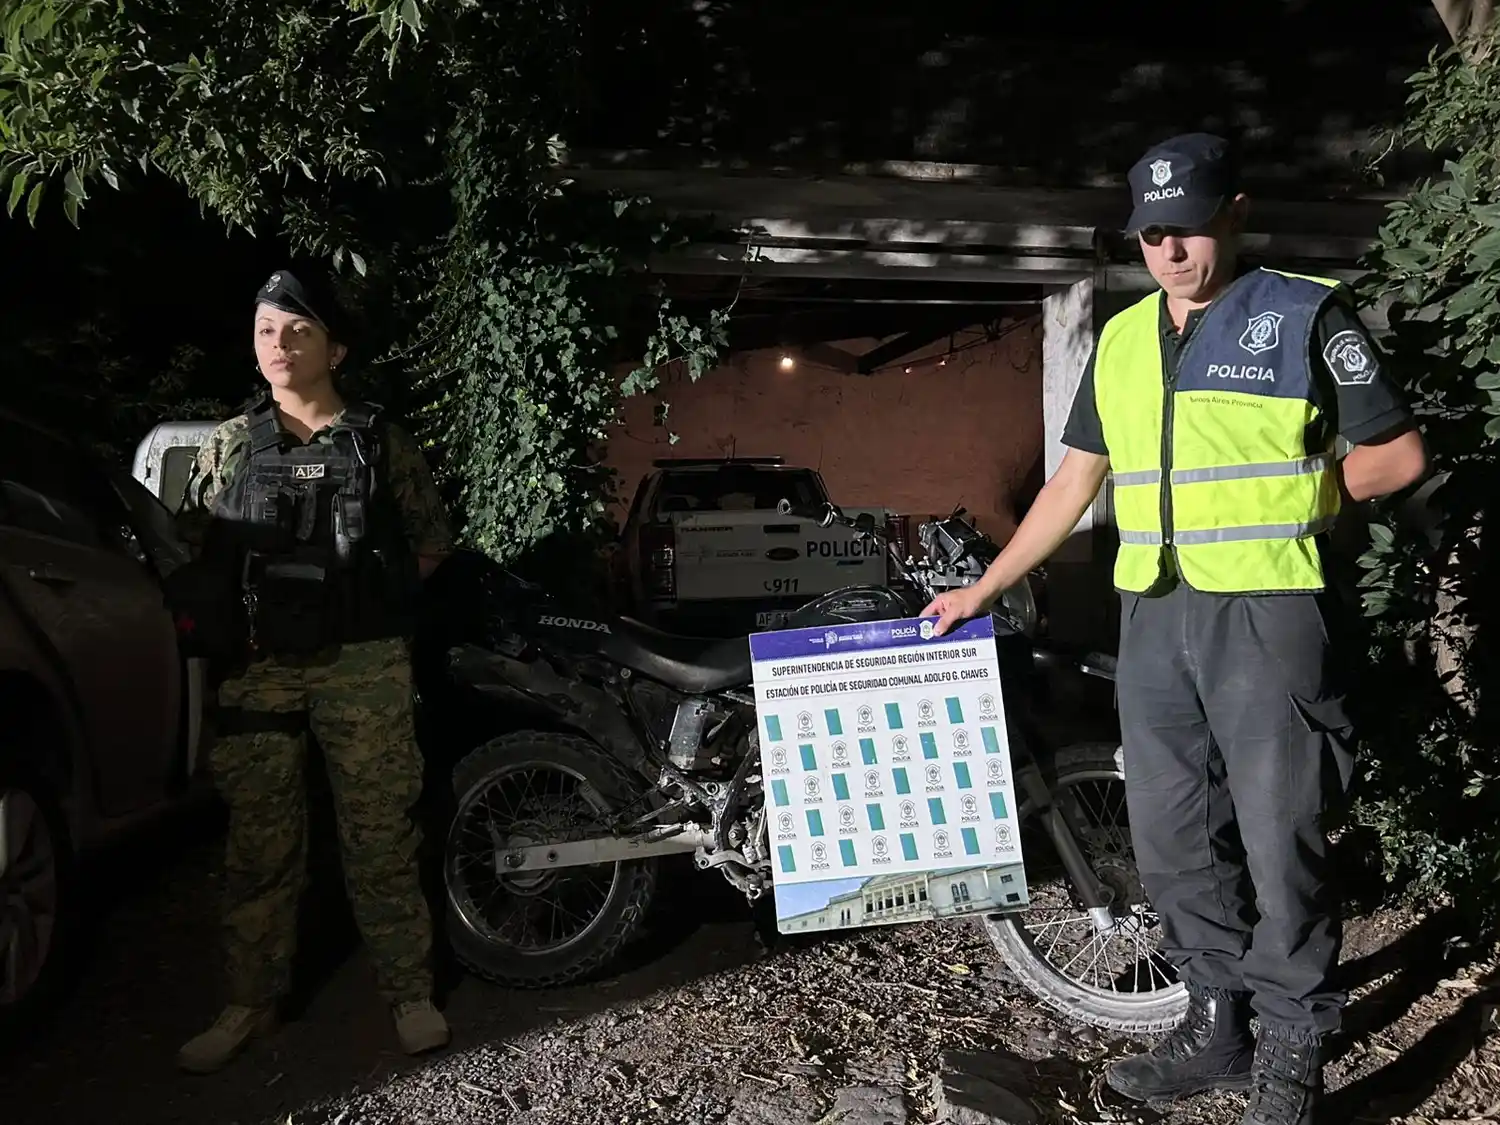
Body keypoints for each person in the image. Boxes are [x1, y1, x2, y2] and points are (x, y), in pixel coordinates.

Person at [923, 134, 1427, 1125]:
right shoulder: (1117, 339)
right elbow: (1075, 481)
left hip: (1264, 610)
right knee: (1168, 831)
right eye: (1153, 234)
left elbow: (1397, 454)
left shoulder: (1301, 312)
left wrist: (1304, 494)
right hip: (1153, 612)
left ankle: (1293, 1043)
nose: (1172, 251)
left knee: (1281, 838)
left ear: (1232, 213)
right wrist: (982, 588)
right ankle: (1215, 1019)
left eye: (1189, 228)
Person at [174, 269, 454, 1074]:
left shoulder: (378, 440)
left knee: (380, 832)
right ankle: (247, 1003)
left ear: (336, 347)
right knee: (260, 839)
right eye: (267, 330)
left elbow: (432, 543)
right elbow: (199, 554)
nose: (280, 344)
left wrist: (365, 606)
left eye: (297, 330)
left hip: (361, 664)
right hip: (260, 668)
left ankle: (408, 991)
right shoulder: (229, 444)